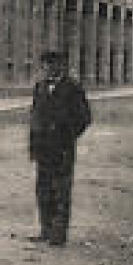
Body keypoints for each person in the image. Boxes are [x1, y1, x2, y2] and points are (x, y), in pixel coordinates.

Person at [28, 49, 92, 246]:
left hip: (62, 149)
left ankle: (58, 234)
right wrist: (33, 145)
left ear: (60, 66)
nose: (46, 68)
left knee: (61, 191)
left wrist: (67, 136)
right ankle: (45, 230)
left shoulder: (72, 88)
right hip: (43, 148)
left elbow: (84, 118)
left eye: (51, 64)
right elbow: (34, 116)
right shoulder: (39, 87)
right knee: (43, 191)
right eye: (44, 64)